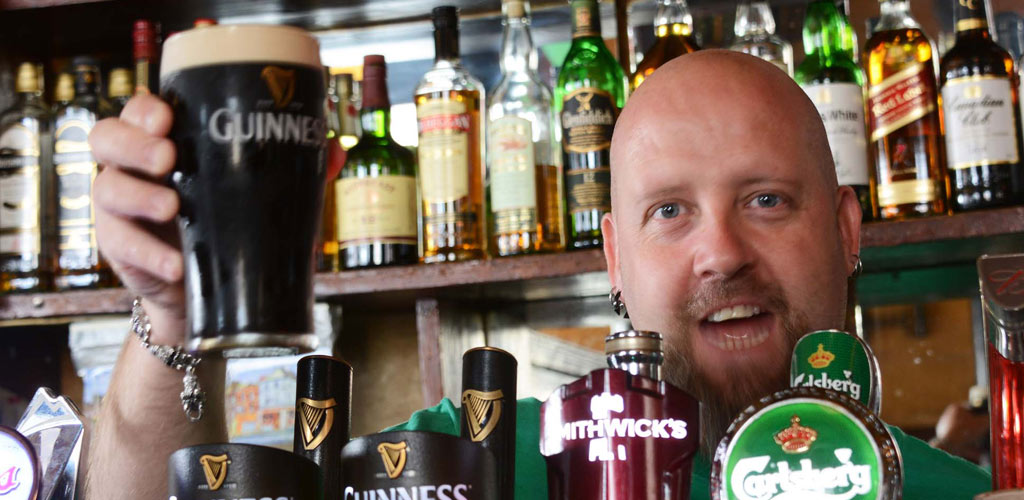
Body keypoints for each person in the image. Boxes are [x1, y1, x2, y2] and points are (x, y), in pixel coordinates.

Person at [84, 50, 990, 499]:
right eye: (669, 212)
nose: (721, 252)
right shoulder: (470, 459)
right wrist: (170, 311)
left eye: (766, 200)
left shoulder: (962, 495)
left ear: (845, 231)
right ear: (615, 259)